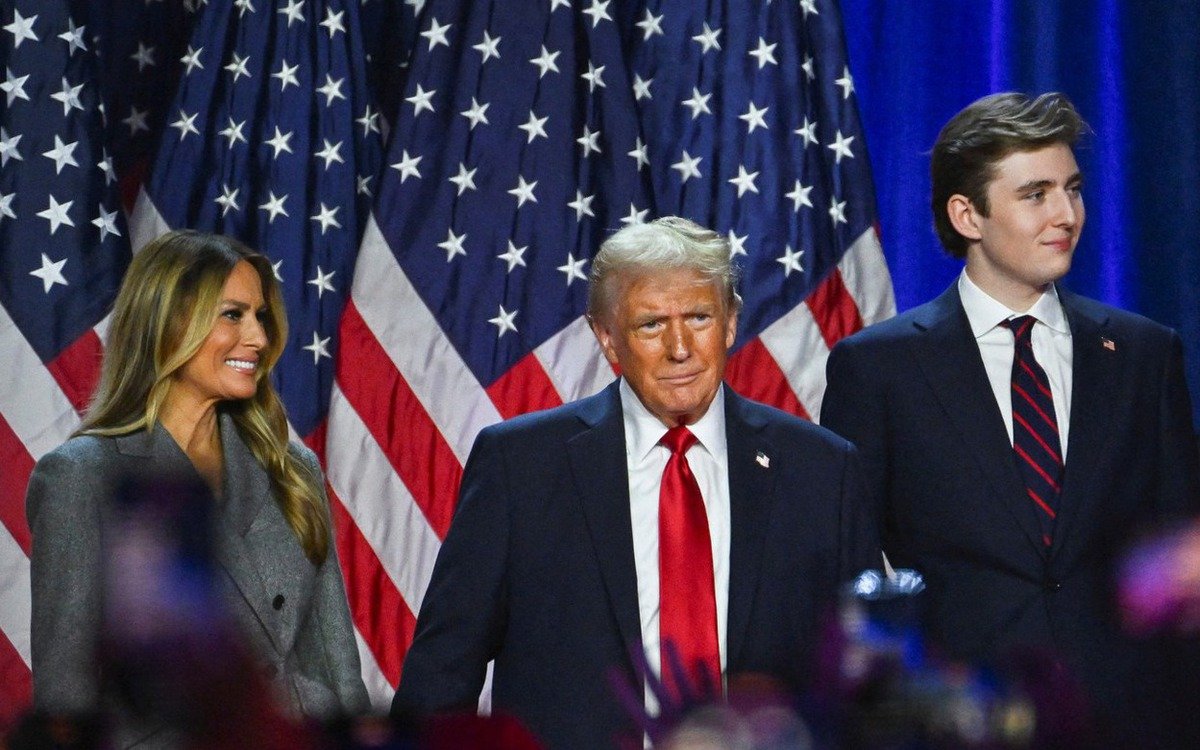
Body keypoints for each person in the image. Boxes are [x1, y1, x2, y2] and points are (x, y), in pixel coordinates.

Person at [392, 217, 880, 749]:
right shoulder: (521, 467)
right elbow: (442, 675)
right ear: (607, 337)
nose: (680, 348)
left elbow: (867, 678)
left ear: (731, 323)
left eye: (699, 317)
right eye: (651, 325)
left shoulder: (821, 470)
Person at [820, 92, 1200, 727]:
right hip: (958, 720)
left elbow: (1177, 553)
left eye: (1072, 190)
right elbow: (848, 567)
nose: (1066, 215)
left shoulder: (1144, 354)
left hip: (1129, 717)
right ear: (968, 215)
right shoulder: (878, 368)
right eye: (1035, 195)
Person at [26, 230, 369, 728]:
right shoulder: (81, 478)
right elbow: (66, 695)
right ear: (167, 323)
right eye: (233, 314)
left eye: (260, 316)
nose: (258, 338)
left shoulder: (291, 470)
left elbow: (336, 664)